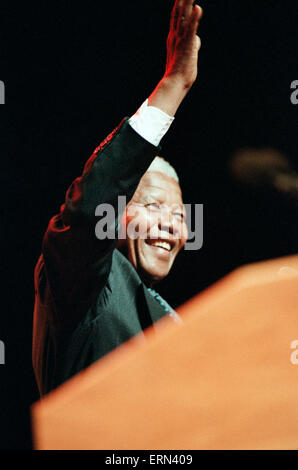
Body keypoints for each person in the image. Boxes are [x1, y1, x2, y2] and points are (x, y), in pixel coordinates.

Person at [32, 0, 203, 396]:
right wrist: (172, 86)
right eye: (154, 206)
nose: (170, 225)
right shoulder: (79, 284)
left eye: (179, 214)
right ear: (117, 213)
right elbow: (90, 208)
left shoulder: (172, 319)